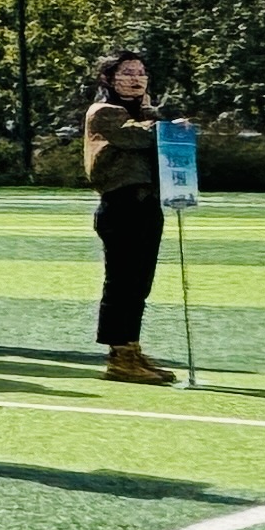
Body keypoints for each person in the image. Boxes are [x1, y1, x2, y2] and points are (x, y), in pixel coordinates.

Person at [81, 53, 176, 383]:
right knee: (121, 282)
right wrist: (164, 122)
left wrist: (153, 115)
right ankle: (119, 355)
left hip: (147, 204)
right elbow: (138, 137)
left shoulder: (141, 114)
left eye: (141, 73)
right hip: (121, 205)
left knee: (139, 283)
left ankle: (131, 348)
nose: (137, 78)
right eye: (127, 72)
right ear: (109, 79)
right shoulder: (104, 111)